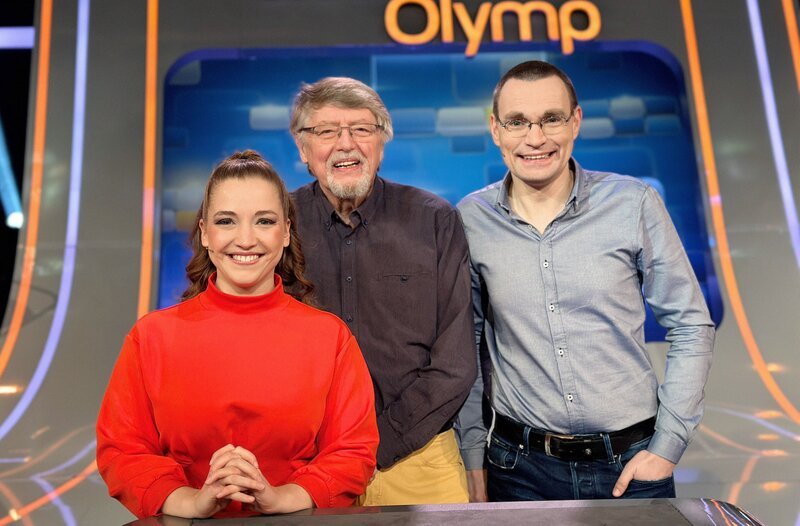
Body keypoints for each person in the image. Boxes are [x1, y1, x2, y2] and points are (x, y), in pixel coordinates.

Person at [456, 61, 715, 502]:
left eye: (551, 119)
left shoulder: (633, 203)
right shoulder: (470, 219)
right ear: (496, 129)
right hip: (518, 473)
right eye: (517, 122)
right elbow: (467, 346)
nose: (535, 138)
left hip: (631, 465)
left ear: (575, 121)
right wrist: (473, 456)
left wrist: (667, 447)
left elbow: (691, 325)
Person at [96, 150, 378, 519]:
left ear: (286, 232)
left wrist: (279, 498)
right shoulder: (151, 337)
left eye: (264, 221)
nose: (245, 239)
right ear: (205, 233)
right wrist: (192, 501)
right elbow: (123, 450)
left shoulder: (331, 337)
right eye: (227, 221)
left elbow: (353, 451)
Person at [289, 77, 476, 505]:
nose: (346, 144)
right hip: (306, 465)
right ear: (303, 148)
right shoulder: (278, 224)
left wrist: (379, 443)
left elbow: (456, 361)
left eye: (361, 129)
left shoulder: (434, 219)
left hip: (417, 456)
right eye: (326, 131)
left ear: (381, 143)